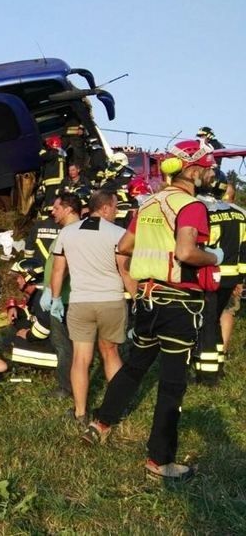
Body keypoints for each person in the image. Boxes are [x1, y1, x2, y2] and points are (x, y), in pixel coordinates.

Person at [83, 139, 223, 481]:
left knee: (134, 367)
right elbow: (188, 252)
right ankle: (159, 461)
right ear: (192, 170)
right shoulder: (191, 206)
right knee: (172, 383)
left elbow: (124, 246)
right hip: (179, 304)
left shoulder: (147, 205)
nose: (212, 173)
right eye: (208, 168)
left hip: (148, 300)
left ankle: (100, 423)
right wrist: (214, 258)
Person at [49, 190, 135, 426]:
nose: (117, 212)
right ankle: (117, 408)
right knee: (111, 353)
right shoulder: (119, 234)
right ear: (105, 208)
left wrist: (55, 298)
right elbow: (125, 271)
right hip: (111, 301)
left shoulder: (67, 233)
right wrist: (139, 298)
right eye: (115, 207)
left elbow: (58, 270)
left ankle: (80, 412)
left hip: (80, 302)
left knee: (80, 358)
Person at [193, 182, 246, 383]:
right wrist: (240, 278)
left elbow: (205, 247)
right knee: (214, 320)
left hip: (210, 275)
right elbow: (244, 248)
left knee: (207, 322)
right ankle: (218, 364)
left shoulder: (206, 213)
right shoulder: (240, 215)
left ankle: (207, 375)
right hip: (232, 277)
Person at [38, 192, 82, 397]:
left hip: (64, 298)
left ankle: (67, 388)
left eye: (56, 208)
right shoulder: (72, 231)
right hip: (65, 296)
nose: (52, 212)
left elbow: (64, 267)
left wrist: (53, 294)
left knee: (63, 345)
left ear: (69, 209)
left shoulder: (70, 234)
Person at [8, 260, 63, 378]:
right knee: (18, 323)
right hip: (59, 338)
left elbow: (44, 328)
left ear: (28, 278)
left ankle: (50, 366)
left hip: (60, 350)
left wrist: (27, 335)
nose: (17, 280)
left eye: (19, 277)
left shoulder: (40, 298)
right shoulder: (41, 291)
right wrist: (13, 308)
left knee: (14, 343)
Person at [37, 135, 66, 212]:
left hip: (52, 182)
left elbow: (42, 156)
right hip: (60, 181)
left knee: (50, 203)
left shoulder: (53, 153)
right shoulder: (62, 153)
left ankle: (48, 218)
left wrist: (43, 146)